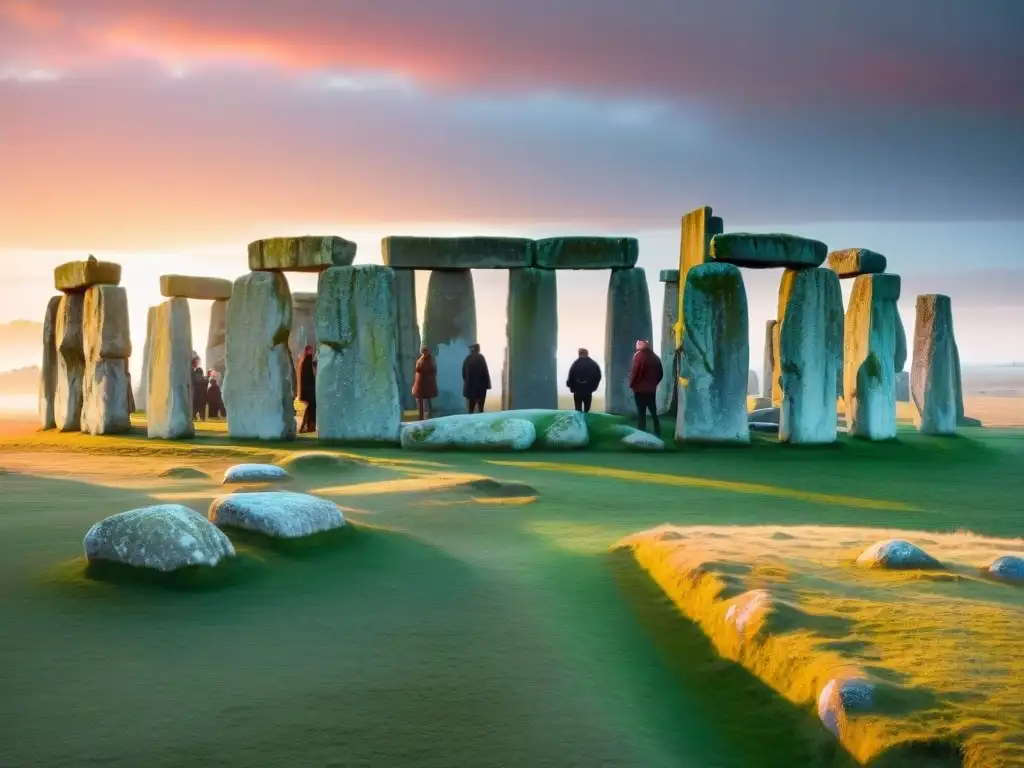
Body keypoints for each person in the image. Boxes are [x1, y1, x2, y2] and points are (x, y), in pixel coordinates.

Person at [628, 339, 664, 435]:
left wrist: (631, 384)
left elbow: (636, 372)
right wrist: (654, 383)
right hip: (651, 389)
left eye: (638, 343)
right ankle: (657, 430)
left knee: (641, 412)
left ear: (641, 346)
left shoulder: (638, 356)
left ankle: (641, 432)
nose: (636, 345)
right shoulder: (655, 357)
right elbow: (660, 374)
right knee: (653, 411)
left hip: (639, 389)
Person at [565, 348, 602, 413]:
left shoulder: (576, 364)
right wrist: (593, 387)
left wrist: (571, 387)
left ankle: (579, 422)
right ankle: (586, 422)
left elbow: (571, 376)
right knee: (587, 410)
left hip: (577, 391)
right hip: (588, 391)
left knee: (578, 410)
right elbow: (598, 376)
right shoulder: (593, 364)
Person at [462, 343, 491, 414]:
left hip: (470, 388)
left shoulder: (467, 359)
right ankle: (480, 421)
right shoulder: (481, 358)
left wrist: (467, 383)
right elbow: (485, 372)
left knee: (471, 409)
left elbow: (464, 374)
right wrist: (487, 385)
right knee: (480, 408)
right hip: (481, 388)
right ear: (478, 350)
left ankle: (470, 421)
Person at [412, 345, 438, 420]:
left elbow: (419, 369)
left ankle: (424, 417)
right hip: (423, 385)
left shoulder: (424, 360)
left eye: (425, 351)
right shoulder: (426, 360)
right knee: (424, 401)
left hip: (423, 385)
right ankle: (425, 416)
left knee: (423, 401)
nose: (424, 353)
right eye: (424, 351)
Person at [297, 345, 317, 433]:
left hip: (310, 389)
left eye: (311, 350)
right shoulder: (305, 360)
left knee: (311, 408)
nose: (310, 352)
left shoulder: (307, 360)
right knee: (311, 408)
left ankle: (308, 426)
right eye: (309, 350)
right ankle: (308, 426)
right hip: (309, 389)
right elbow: (305, 376)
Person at [191, 354, 208, 421]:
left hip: (200, 396)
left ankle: (201, 416)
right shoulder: (201, 380)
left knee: (200, 407)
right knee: (196, 407)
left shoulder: (203, 380)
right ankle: (197, 416)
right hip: (197, 395)